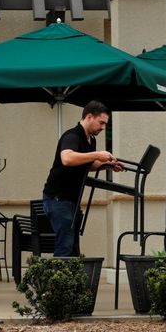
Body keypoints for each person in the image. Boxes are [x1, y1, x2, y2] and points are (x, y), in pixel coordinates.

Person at [42, 100, 121, 256]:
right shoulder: (72, 135)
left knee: (72, 248)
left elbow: (88, 164)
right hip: (58, 199)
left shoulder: (90, 140)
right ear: (89, 116)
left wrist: (108, 166)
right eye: (101, 123)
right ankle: (58, 280)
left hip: (70, 200)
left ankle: (69, 280)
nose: (104, 127)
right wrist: (97, 154)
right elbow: (67, 158)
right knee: (65, 246)